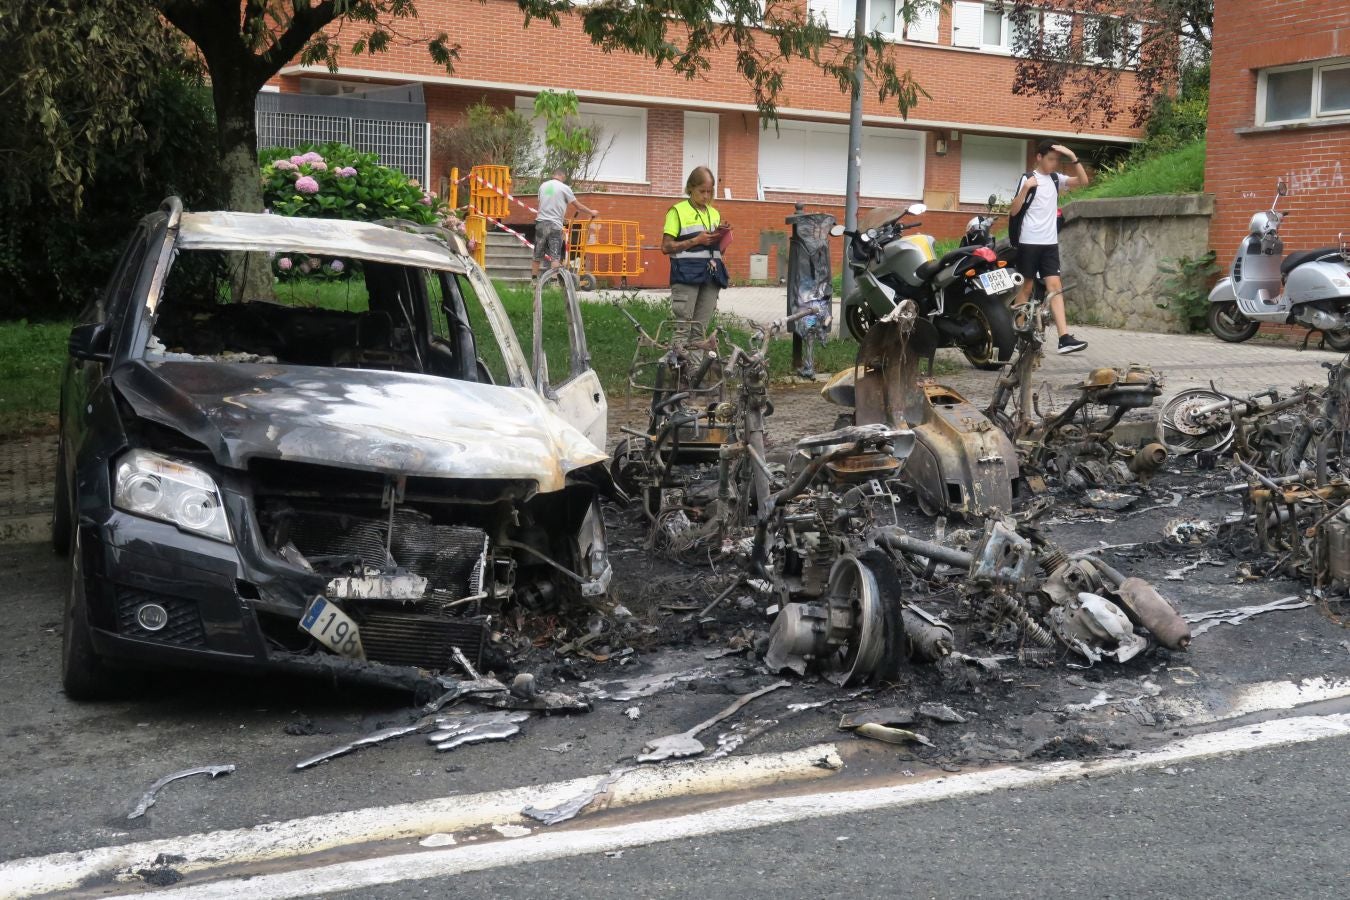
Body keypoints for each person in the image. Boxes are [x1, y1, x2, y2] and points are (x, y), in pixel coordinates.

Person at [1009, 140, 1091, 354]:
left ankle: (1064, 339)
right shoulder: (1028, 178)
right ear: (1039, 157)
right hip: (1029, 242)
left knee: (1055, 287)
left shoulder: (1056, 179)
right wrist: (1025, 189)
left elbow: (1083, 181)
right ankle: (1017, 334)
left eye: (1056, 160)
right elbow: (1014, 211)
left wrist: (1073, 156)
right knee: (1026, 287)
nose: (1053, 163)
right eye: (1050, 159)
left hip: (1049, 244)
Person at [662, 166, 729, 342]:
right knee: (683, 330)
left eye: (709, 191)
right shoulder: (677, 211)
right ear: (691, 188)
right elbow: (666, 247)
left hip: (711, 276)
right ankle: (677, 360)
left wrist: (722, 237)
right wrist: (696, 240)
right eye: (702, 191)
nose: (706, 196)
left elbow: (715, 248)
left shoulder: (714, 213)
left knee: (700, 332)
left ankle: (694, 361)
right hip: (686, 275)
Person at [533, 168, 598, 280]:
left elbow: (542, 203)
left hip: (541, 223)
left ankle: (534, 281)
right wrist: (591, 212)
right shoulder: (564, 188)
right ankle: (554, 281)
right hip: (555, 225)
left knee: (537, 254)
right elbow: (578, 206)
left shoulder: (543, 186)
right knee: (555, 256)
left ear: (554, 175)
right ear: (563, 176)